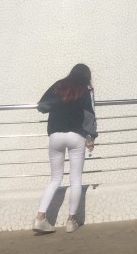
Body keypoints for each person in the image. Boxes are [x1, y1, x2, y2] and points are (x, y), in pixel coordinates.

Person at [34, 63, 98, 234]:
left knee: (55, 179)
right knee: (75, 179)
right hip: (76, 136)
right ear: (86, 76)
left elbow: (42, 106)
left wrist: (58, 105)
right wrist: (91, 137)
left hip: (55, 135)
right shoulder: (86, 89)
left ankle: (40, 218)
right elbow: (90, 114)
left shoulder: (59, 86)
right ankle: (71, 222)